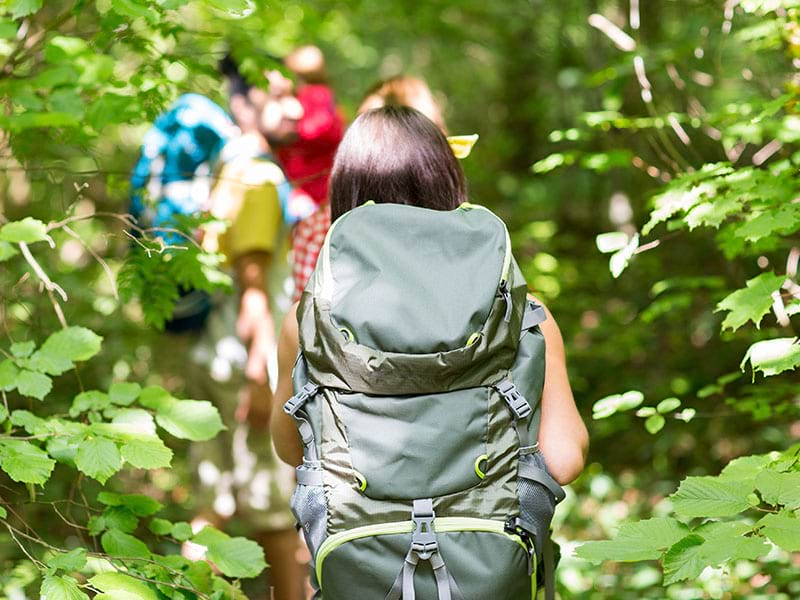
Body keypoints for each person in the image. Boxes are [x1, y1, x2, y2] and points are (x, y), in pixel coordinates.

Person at [269, 106, 588, 598]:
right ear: (447, 181)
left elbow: (292, 448)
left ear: (347, 191)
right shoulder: (525, 315)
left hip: (358, 568)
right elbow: (563, 459)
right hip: (490, 569)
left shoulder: (306, 320)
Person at [180, 73, 304, 600]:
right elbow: (253, 280)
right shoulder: (256, 176)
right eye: (277, 97)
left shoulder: (227, 170)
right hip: (248, 360)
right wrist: (262, 374)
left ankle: (182, 590)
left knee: (212, 500)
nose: (295, 108)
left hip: (213, 351)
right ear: (243, 105)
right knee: (275, 513)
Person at [263, 45, 345, 301]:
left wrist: (291, 127)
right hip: (299, 189)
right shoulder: (301, 96)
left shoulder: (316, 95)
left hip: (315, 192)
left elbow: (319, 129)